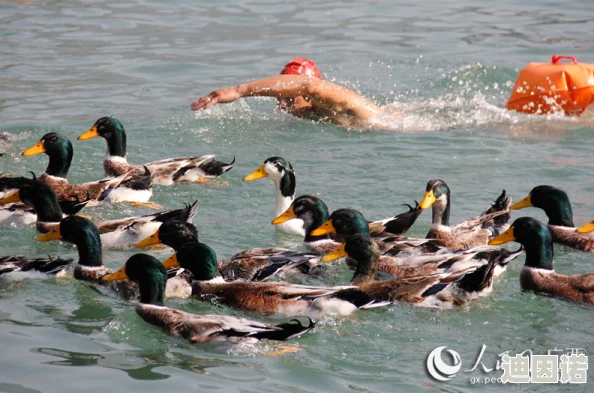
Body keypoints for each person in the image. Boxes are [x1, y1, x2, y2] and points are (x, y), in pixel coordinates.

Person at [190, 58, 400, 129]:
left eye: (289, 96)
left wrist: (237, 91)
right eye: (280, 96)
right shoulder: (320, 115)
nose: (282, 103)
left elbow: (308, 85)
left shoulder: (344, 105)